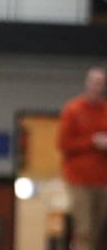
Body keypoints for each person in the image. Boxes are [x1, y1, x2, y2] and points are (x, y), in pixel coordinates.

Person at [57, 66, 107, 250]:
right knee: (84, 229)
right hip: (78, 180)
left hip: (103, 181)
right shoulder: (73, 110)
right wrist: (92, 141)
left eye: (100, 83)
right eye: (94, 82)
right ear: (87, 84)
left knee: (96, 231)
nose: (96, 87)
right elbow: (63, 144)